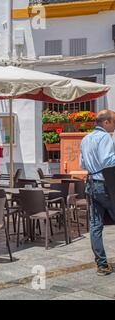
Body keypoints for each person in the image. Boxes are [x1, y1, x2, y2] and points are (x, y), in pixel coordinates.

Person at [80, 109, 115, 276]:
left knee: (95, 226)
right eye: (114, 121)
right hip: (105, 184)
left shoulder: (85, 139)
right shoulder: (104, 137)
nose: (114, 125)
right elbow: (107, 160)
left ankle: (101, 265)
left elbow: (82, 164)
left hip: (91, 184)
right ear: (106, 122)